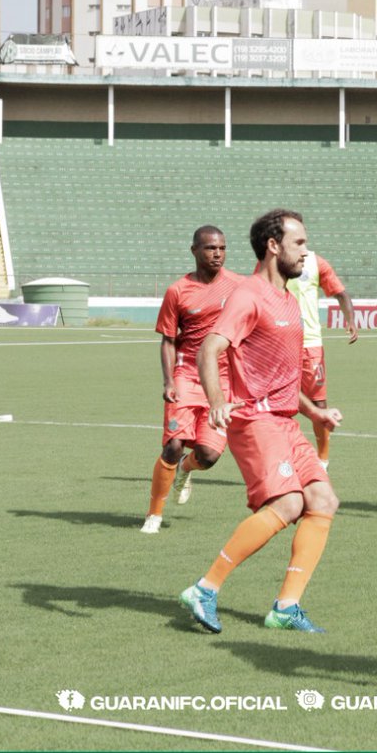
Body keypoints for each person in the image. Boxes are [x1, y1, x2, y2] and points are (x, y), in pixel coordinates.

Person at [180, 209, 344, 634]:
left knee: (323, 501)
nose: (307, 252)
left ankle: (286, 607)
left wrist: (315, 412)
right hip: (255, 421)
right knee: (289, 504)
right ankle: (205, 588)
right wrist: (216, 400)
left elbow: (285, 381)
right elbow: (209, 349)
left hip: (286, 420)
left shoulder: (289, 299)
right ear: (274, 246)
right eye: (300, 243)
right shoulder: (248, 295)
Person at [141, 227, 244, 534]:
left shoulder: (240, 286)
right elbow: (169, 341)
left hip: (224, 381)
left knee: (209, 456)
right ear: (195, 251)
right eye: (211, 248)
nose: (218, 254)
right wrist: (168, 381)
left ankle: (187, 469)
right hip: (187, 374)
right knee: (173, 445)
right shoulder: (178, 291)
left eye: (223, 248)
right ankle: (154, 515)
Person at [287, 245, 358, 470]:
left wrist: (350, 320)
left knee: (319, 403)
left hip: (310, 344)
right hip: (280, 342)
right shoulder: (273, 260)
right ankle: (284, 456)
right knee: (280, 402)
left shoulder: (317, 262)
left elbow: (341, 293)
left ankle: (323, 460)